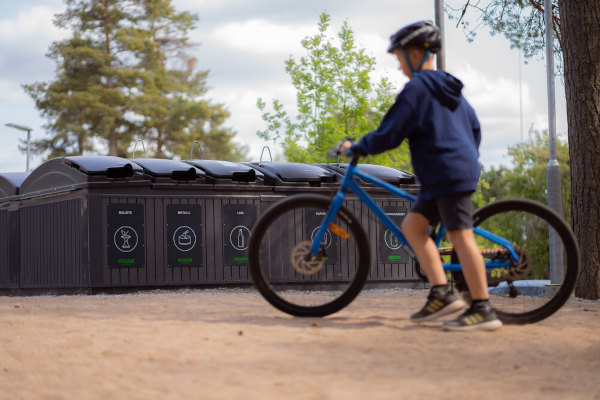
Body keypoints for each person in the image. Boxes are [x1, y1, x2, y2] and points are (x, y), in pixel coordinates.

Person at [339, 20, 502, 331]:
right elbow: (475, 128)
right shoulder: (449, 88)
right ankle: (442, 293)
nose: (399, 65)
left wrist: (356, 146)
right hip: (444, 172)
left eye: (400, 57)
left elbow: (390, 134)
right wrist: (465, 158)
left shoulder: (417, 90)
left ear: (416, 53)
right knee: (413, 228)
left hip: (448, 172)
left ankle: (483, 308)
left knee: (460, 236)